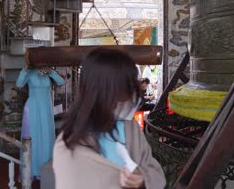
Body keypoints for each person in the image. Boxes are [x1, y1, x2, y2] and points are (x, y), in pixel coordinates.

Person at [53, 49, 166, 189]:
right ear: (106, 90)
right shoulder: (68, 146)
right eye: (127, 87)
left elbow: (152, 168)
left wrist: (143, 181)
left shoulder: (130, 127)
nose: (133, 95)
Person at [16, 67, 64, 181]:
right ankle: (32, 170)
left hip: (46, 108)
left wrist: (51, 72)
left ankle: (45, 170)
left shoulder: (48, 72)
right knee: (34, 137)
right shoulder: (29, 72)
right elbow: (19, 84)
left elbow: (61, 82)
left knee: (47, 138)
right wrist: (25, 70)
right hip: (33, 108)